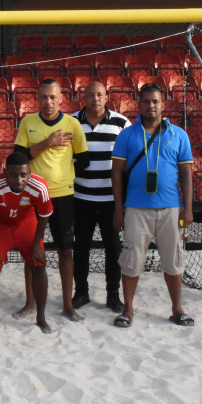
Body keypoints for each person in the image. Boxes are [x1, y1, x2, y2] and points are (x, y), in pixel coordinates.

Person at [111, 83, 194, 328]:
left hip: (171, 209)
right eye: (146, 101)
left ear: (163, 105)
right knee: (131, 260)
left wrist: (188, 208)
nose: (151, 106)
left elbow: (187, 173)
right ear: (140, 104)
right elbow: (116, 174)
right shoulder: (128, 135)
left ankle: (177, 309)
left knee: (173, 260)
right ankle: (128, 309)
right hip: (136, 209)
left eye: (155, 101)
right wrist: (118, 209)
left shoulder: (179, 134)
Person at [14, 78, 90, 322]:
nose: (48, 101)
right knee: (30, 250)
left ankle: (68, 305)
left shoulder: (73, 123)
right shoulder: (28, 122)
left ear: (61, 99)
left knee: (65, 250)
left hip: (63, 196)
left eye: (53, 97)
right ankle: (30, 304)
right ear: (37, 99)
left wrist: (64, 176)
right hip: (32, 196)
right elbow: (19, 157)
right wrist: (49, 142)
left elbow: (84, 159)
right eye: (43, 97)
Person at [0, 152, 53, 336]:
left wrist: (36, 244)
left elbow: (44, 214)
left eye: (23, 175)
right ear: (5, 172)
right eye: (14, 175)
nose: (19, 179)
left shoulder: (39, 185)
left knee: (39, 265)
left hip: (26, 224)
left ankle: (41, 317)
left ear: (29, 172)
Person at [71, 82, 131, 313]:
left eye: (99, 94)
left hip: (110, 199)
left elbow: (129, 160)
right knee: (81, 246)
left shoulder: (122, 123)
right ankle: (81, 292)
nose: (95, 98)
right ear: (82, 97)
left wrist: (123, 202)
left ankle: (113, 295)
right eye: (90, 95)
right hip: (81, 196)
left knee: (113, 247)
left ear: (107, 97)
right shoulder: (72, 121)